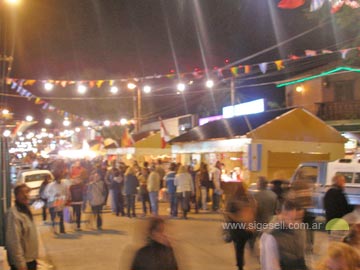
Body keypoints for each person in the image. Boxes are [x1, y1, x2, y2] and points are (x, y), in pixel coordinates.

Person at [260, 200, 307, 270]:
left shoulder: (300, 228)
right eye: (293, 219)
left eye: (300, 219)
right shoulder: (270, 236)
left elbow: (301, 255)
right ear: (283, 215)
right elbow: (271, 266)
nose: (297, 223)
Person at [5, 184, 39, 270]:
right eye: (22, 193)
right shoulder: (13, 214)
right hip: (22, 264)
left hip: (30, 261)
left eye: (27, 192)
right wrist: (20, 264)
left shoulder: (25, 211)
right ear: (16, 196)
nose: (26, 195)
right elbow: (14, 242)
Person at [224, 183, 256, 270]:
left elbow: (227, 213)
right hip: (246, 227)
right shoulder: (248, 199)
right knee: (242, 245)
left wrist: (234, 217)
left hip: (236, 228)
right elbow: (254, 209)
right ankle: (242, 261)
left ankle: (240, 265)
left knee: (238, 248)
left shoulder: (232, 200)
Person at [44, 160, 68, 234]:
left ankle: (62, 229)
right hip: (52, 202)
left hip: (60, 202)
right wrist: (52, 196)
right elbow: (46, 193)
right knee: (54, 217)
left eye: (60, 178)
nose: (59, 180)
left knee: (61, 216)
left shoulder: (63, 184)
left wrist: (64, 199)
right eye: (58, 179)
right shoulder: (50, 185)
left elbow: (66, 193)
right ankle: (54, 229)